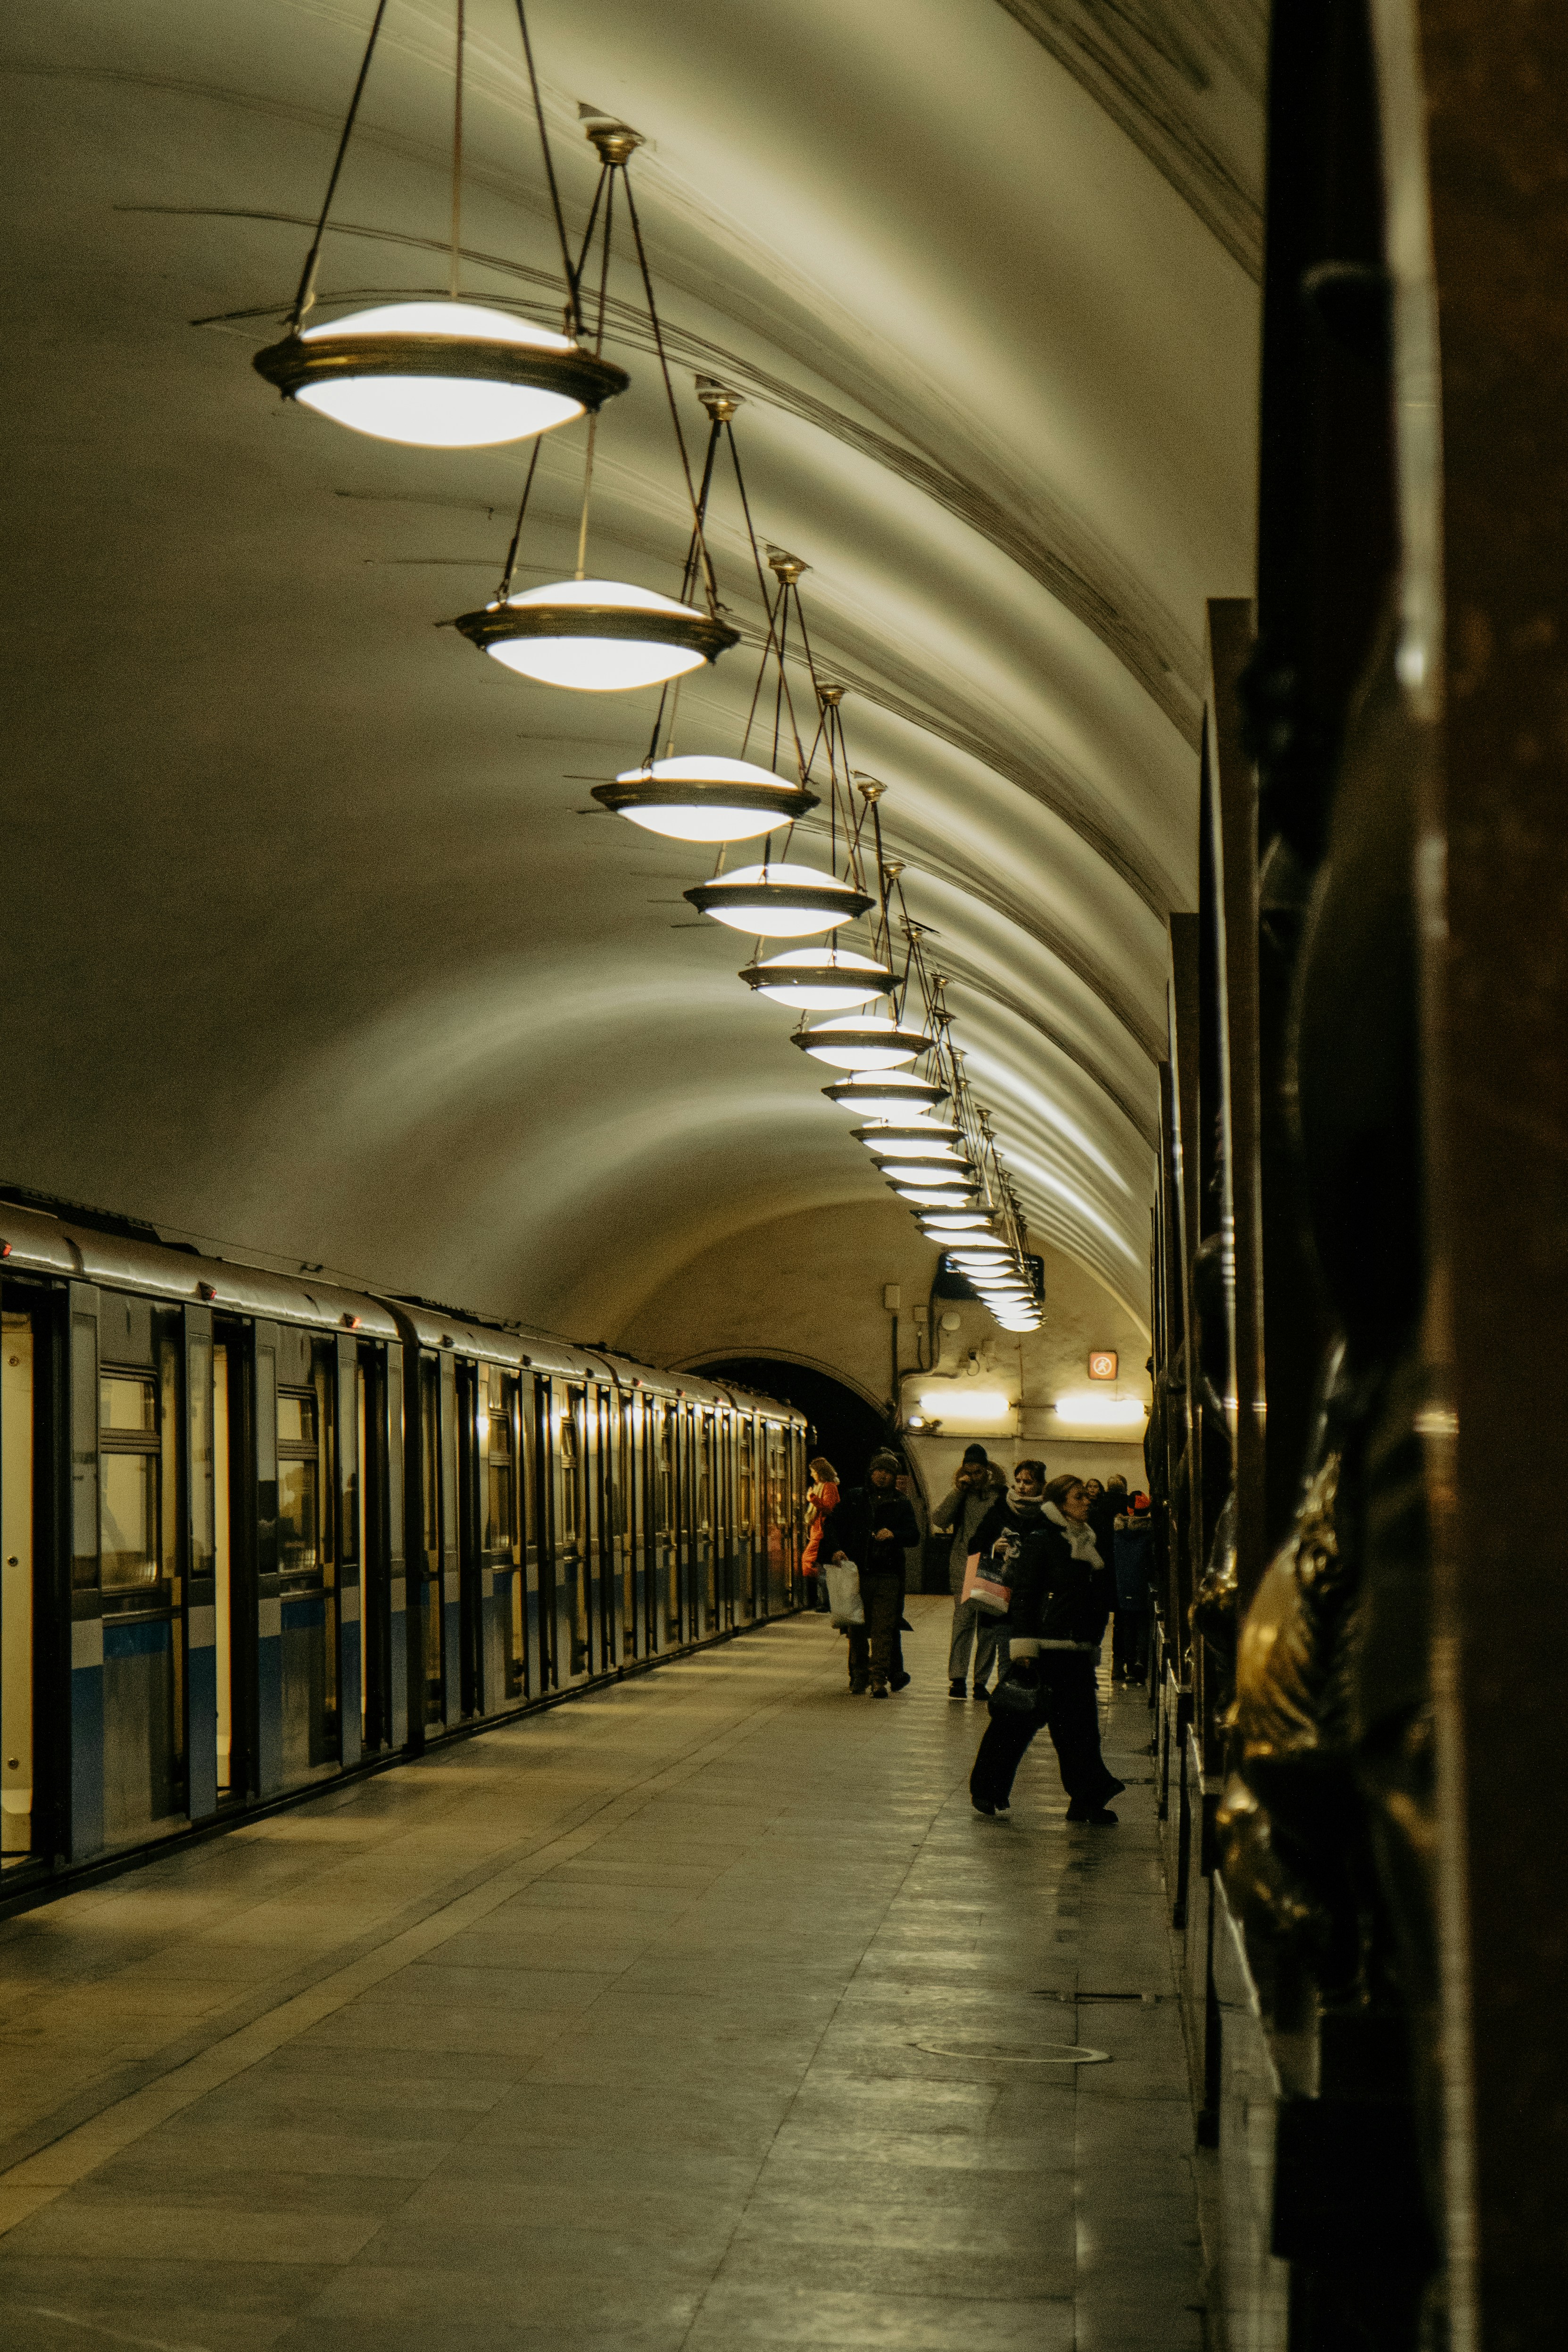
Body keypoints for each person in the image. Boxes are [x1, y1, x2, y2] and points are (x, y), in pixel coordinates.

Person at [969, 1473, 1125, 1824]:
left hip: (1076, 1649)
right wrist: (1023, 1645)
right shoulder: (1042, 1540)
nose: (1087, 1501)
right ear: (1058, 1504)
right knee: (1015, 1720)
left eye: (1087, 1496)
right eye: (1078, 1496)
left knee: (1080, 1730)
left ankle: (1087, 1799)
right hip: (1044, 1646)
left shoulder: (1090, 1539)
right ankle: (987, 1789)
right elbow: (1024, 1593)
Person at [822, 1451, 921, 1697]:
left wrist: (895, 1534)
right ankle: (859, 1675)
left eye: (888, 1472)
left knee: (882, 1630)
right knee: (856, 1627)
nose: (882, 1476)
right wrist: (835, 1550)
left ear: (894, 1477)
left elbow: (915, 1536)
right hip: (856, 1574)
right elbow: (832, 1525)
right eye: (879, 1471)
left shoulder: (901, 1503)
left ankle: (879, 1680)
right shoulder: (855, 1498)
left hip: (888, 1576)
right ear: (871, 1472)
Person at [931, 1445, 1008, 1700]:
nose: (973, 1477)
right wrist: (957, 1491)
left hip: (991, 1565)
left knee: (987, 1625)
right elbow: (939, 1520)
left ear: (988, 1470)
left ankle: (980, 1682)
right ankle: (957, 1679)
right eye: (968, 1472)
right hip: (963, 1565)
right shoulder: (961, 1494)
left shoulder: (1001, 1495)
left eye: (977, 1472)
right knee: (963, 1621)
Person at [1111, 1491, 1153, 1681]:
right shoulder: (1149, 1533)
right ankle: (1140, 1662)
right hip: (1143, 1586)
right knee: (1143, 1624)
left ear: (1129, 1511)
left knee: (1127, 1625)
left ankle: (1127, 1663)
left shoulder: (1118, 1532)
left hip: (1123, 1586)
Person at [801, 1456, 839, 1611]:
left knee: (812, 1564)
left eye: (813, 1472)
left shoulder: (829, 1487)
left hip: (823, 1532)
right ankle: (824, 1600)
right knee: (817, 1565)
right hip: (818, 1531)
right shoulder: (822, 1486)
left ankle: (826, 1601)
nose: (812, 1475)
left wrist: (813, 1499)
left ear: (820, 1472)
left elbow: (829, 1507)